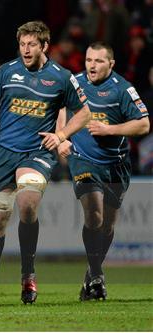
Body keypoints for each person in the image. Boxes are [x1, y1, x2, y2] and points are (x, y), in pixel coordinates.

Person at [0, 21, 91, 307]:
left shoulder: (61, 77)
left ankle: (27, 276)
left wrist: (60, 135)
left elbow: (84, 114)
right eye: (22, 44)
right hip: (4, 154)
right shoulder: (7, 71)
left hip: (37, 153)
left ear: (45, 46)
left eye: (32, 44)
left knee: (28, 203)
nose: (26, 50)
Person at [56, 42, 149, 301]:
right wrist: (62, 137)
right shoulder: (74, 83)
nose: (92, 66)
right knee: (93, 214)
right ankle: (97, 276)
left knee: (107, 226)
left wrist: (110, 130)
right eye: (88, 60)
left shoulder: (123, 89)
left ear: (111, 64)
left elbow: (143, 124)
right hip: (83, 160)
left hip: (116, 165)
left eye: (98, 61)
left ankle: (91, 275)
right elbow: (60, 107)